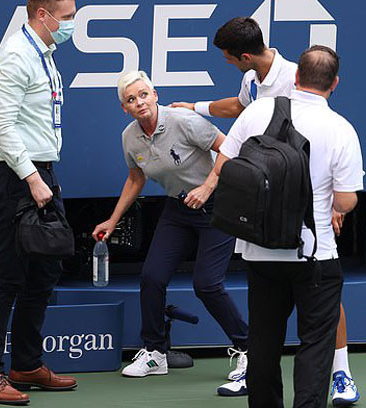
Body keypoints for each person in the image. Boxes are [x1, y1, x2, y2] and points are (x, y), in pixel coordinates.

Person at [171, 17, 360, 405]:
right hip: (314, 255)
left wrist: (213, 189)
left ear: (298, 74)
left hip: (259, 253)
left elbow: (226, 157)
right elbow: (345, 201)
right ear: (334, 84)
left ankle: (292, 394)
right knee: (314, 344)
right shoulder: (341, 128)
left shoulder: (259, 112)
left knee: (263, 341)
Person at [92, 70, 249, 380]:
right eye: (131, 100)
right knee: (151, 276)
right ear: (125, 107)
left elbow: (230, 149)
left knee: (206, 284)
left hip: (218, 205)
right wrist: (112, 220)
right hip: (178, 209)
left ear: (155, 95)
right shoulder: (129, 137)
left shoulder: (183, 120)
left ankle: (250, 349)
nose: (139, 102)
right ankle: (154, 353)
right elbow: (136, 178)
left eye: (143, 95)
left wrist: (207, 187)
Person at [0, 0, 78, 405]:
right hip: (10, 176)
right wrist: (32, 178)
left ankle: (27, 364)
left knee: (45, 271)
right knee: (7, 276)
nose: (72, 24)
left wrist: (41, 176)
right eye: (67, 17)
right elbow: (2, 126)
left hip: (40, 172)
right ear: (42, 15)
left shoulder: (44, 55)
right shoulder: (15, 57)